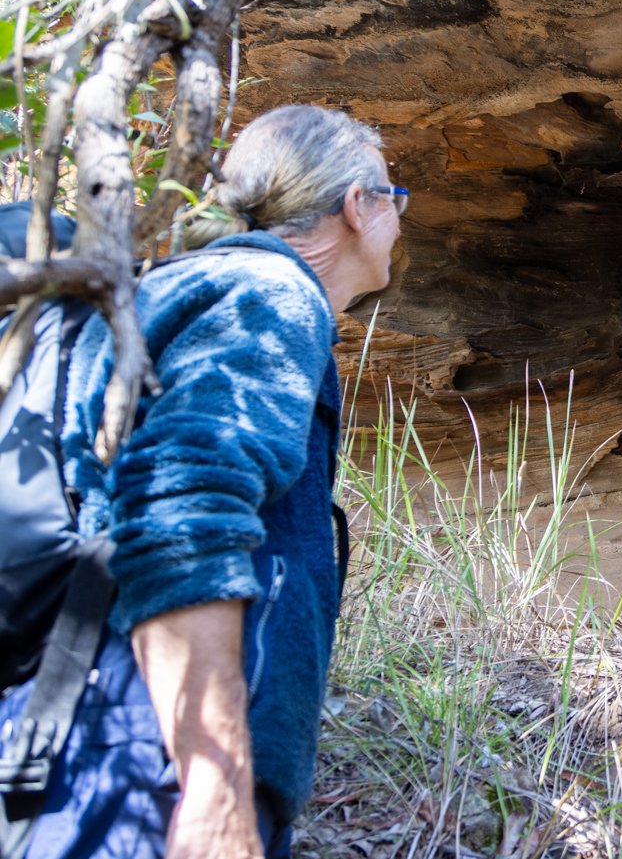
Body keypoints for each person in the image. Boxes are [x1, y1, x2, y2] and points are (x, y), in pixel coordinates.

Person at [0, 105, 406, 859]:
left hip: (85, 728)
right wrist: (213, 783)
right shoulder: (266, 297)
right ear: (359, 205)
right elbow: (181, 508)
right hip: (139, 757)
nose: (398, 215)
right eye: (394, 194)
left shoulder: (190, 288)